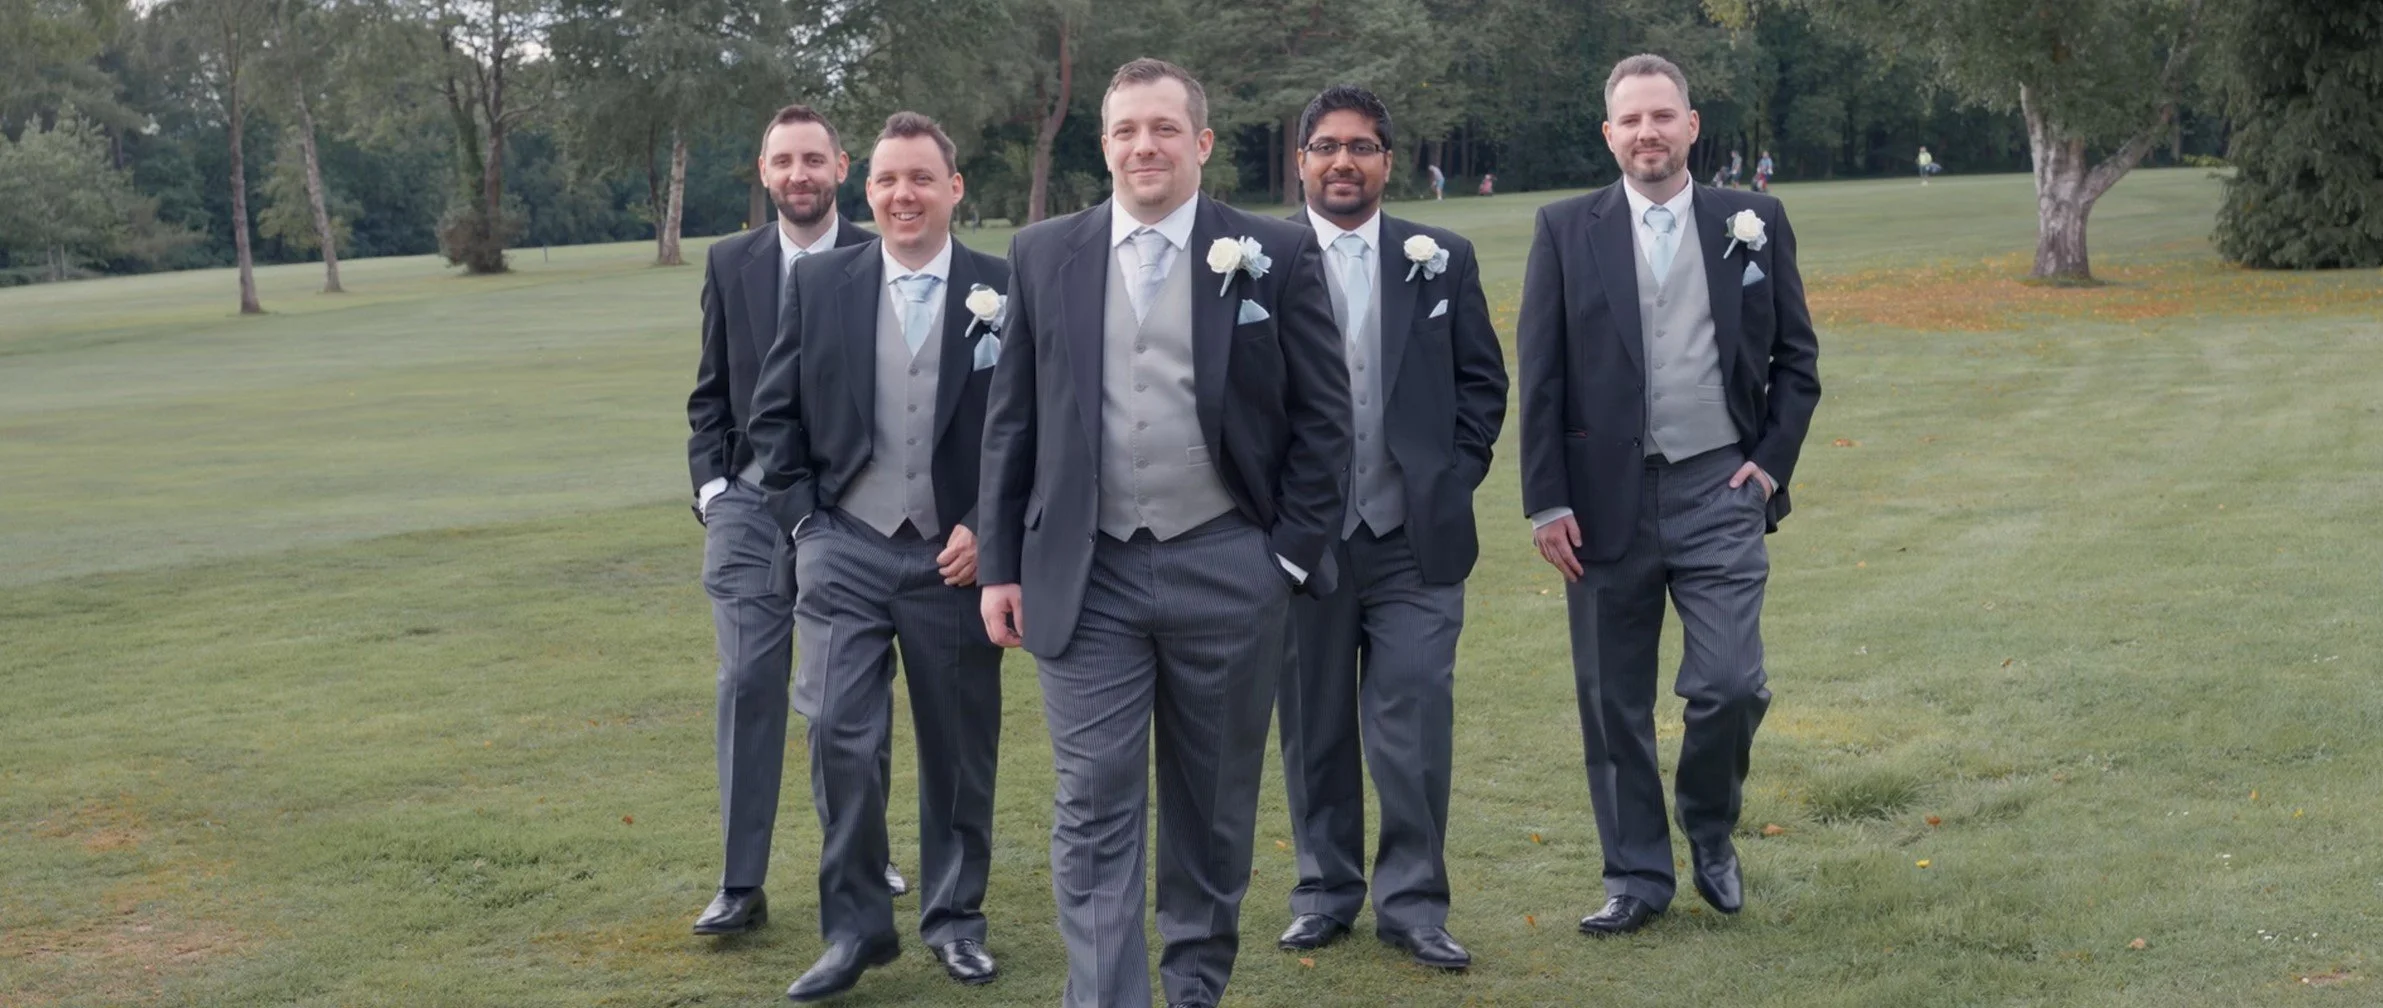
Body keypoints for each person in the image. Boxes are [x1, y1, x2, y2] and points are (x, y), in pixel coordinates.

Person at [975, 57, 1351, 1008]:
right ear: (1103, 145)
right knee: (1092, 804)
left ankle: (1192, 988)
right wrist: (1000, 564)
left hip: (1229, 564)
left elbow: (1324, 422)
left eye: (1164, 129)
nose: (1144, 146)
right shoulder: (1041, 253)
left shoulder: (1276, 251)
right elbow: (1011, 420)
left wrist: (1285, 560)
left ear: (1202, 142)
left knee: (1212, 811)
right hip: (1085, 572)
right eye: (1125, 131)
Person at [1515, 53, 1821, 938]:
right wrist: (1546, 500)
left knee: (1730, 683)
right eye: (1630, 120)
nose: (1647, 132)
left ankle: (1709, 827)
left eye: (1662, 116)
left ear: (1691, 125)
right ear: (1608, 134)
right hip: (1599, 502)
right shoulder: (1564, 229)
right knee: (1612, 700)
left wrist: (1767, 463)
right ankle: (1637, 877)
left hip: (1717, 486)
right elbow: (1539, 377)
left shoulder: (1752, 221)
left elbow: (1794, 360)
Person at [748, 111, 1011, 1001]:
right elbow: (771, 416)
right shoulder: (820, 285)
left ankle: (954, 919)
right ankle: (855, 927)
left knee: (959, 750)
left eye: (922, 179)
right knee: (835, 734)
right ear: (870, 189)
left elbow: (1041, 429)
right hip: (844, 548)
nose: (904, 195)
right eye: (889, 180)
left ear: (954, 188)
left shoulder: (1003, 288)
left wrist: (987, 522)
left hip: (955, 562)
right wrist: (804, 523)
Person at [1272, 84, 1508, 972]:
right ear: (1299, 160)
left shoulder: (1438, 257)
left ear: (1386, 160)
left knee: (1412, 717)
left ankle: (1412, 903)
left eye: (1362, 147)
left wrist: (1451, 477)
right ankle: (1323, 892)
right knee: (1313, 723)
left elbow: (1482, 382)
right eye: (1326, 146)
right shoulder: (1255, 259)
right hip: (1305, 543)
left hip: (1415, 541)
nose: (1343, 161)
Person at [685, 104, 902, 940]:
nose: (799, 174)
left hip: (847, 510)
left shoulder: (878, 251)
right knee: (747, 681)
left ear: (841, 167)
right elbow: (711, 391)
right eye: (783, 161)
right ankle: (741, 884)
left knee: (845, 693)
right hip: (745, 504)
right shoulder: (730, 261)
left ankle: (864, 855)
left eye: (814, 158)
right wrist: (711, 488)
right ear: (764, 171)